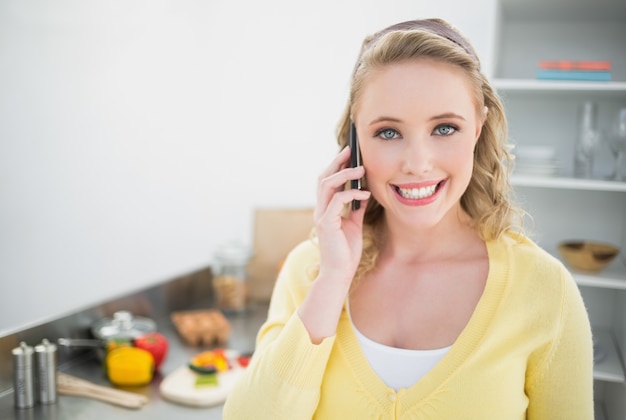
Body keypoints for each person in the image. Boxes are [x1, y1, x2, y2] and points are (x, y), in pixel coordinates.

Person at [223, 18, 594, 419]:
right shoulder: (309, 271)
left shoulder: (546, 290)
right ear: (355, 141)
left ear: (478, 129)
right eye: (388, 133)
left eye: (445, 128)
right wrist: (332, 280)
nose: (417, 164)